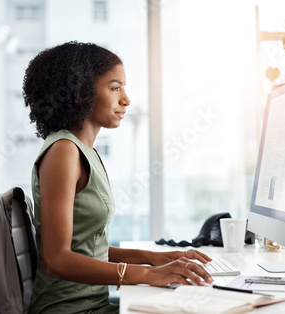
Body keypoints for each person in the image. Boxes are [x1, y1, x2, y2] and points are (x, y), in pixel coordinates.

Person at [23, 41, 214, 314]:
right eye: (115, 88)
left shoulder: (84, 151)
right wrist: (145, 274)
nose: (126, 99)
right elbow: (57, 259)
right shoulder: (63, 151)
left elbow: (88, 247)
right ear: (81, 92)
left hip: (93, 305)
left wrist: (153, 259)